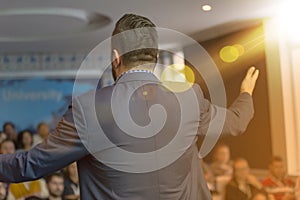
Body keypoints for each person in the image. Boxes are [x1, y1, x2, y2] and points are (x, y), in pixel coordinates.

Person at [0, 14, 259, 199]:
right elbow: (236, 122)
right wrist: (245, 92)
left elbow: (29, 165)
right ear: (155, 56)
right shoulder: (190, 97)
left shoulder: (88, 108)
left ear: (115, 58)